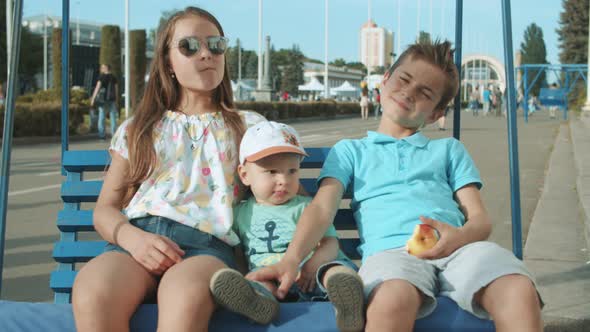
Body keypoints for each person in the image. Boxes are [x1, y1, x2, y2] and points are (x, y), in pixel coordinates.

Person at [250, 40, 543, 332]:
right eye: (404, 79)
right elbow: (322, 209)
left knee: (516, 287)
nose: (409, 92)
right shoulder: (350, 151)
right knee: (391, 300)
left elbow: (480, 220)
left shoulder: (448, 150)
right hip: (391, 255)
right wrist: (292, 259)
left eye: (425, 93)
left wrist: (460, 236)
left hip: (460, 250)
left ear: (435, 114)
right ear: (386, 80)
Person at [72, 7, 266, 332]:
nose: (206, 53)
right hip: (136, 241)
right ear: (167, 63)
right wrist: (133, 240)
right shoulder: (139, 129)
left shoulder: (248, 127)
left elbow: (283, 190)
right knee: (94, 292)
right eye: (189, 46)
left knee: (184, 295)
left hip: (205, 248)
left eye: (216, 45)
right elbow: (105, 210)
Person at [209, 121, 365, 330]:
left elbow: (330, 243)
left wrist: (311, 267)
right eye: (272, 172)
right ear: (245, 175)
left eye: (292, 171)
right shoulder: (240, 213)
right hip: (271, 275)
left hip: (313, 273)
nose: (283, 179)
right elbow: (238, 252)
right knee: (259, 284)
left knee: (335, 272)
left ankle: (347, 303)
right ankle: (259, 302)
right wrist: (244, 274)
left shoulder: (307, 207)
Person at [90, 64, 119, 140]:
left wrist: (93, 98)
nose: (101, 69)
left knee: (102, 117)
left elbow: (97, 88)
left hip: (103, 100)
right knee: (113, 117)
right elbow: (116, 89)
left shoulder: (101, 77)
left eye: (102, 67)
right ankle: (114, 135)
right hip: (112, 99)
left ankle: (102, 135)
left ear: (106, 68)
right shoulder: (114, 77)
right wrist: (116, 100)